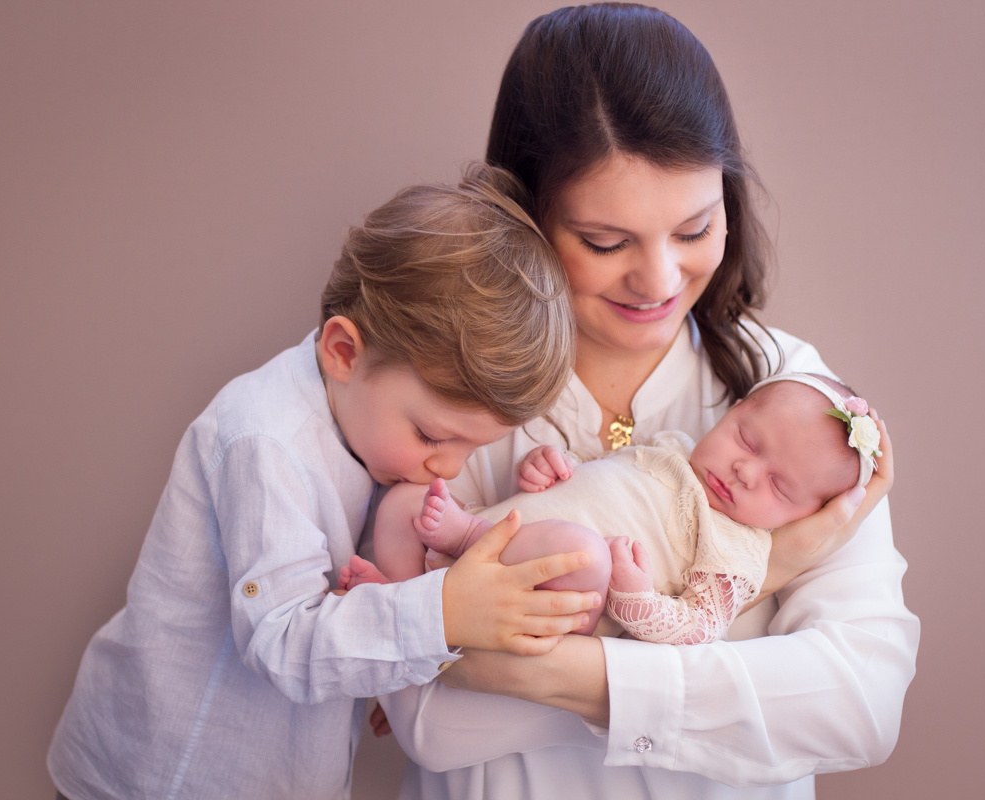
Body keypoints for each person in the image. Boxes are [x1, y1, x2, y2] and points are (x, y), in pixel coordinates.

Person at [377, 5, 920, 799]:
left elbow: (860, 706)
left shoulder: (796, 398)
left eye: (696, 228)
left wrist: (540, 668)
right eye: (606, 242)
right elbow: (430, 722)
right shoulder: (450, 386)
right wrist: (771, 576)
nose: (661, 281)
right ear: (524, 217)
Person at [44, 165, 604, 800]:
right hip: (166, 772)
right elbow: (280, 637)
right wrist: (437, 615)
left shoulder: (366, 425)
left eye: (476, 446)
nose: (447, 468)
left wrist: (391, 649)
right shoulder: (267, 441)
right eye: (431, 436)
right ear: (344, 352)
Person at [347, 373, 885, 646]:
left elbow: (699, 628)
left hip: (552, 600)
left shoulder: (741, 549)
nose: (746, 470)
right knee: (407, 500)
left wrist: (634, 594)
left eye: (779, 487)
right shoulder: (673, 446)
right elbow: (595, 473)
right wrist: (549, 464)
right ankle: (400, 595)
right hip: (508, 524)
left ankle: (464, 541)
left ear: (801, 518)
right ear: (735, 411)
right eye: (746, 439)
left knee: (581, 553)